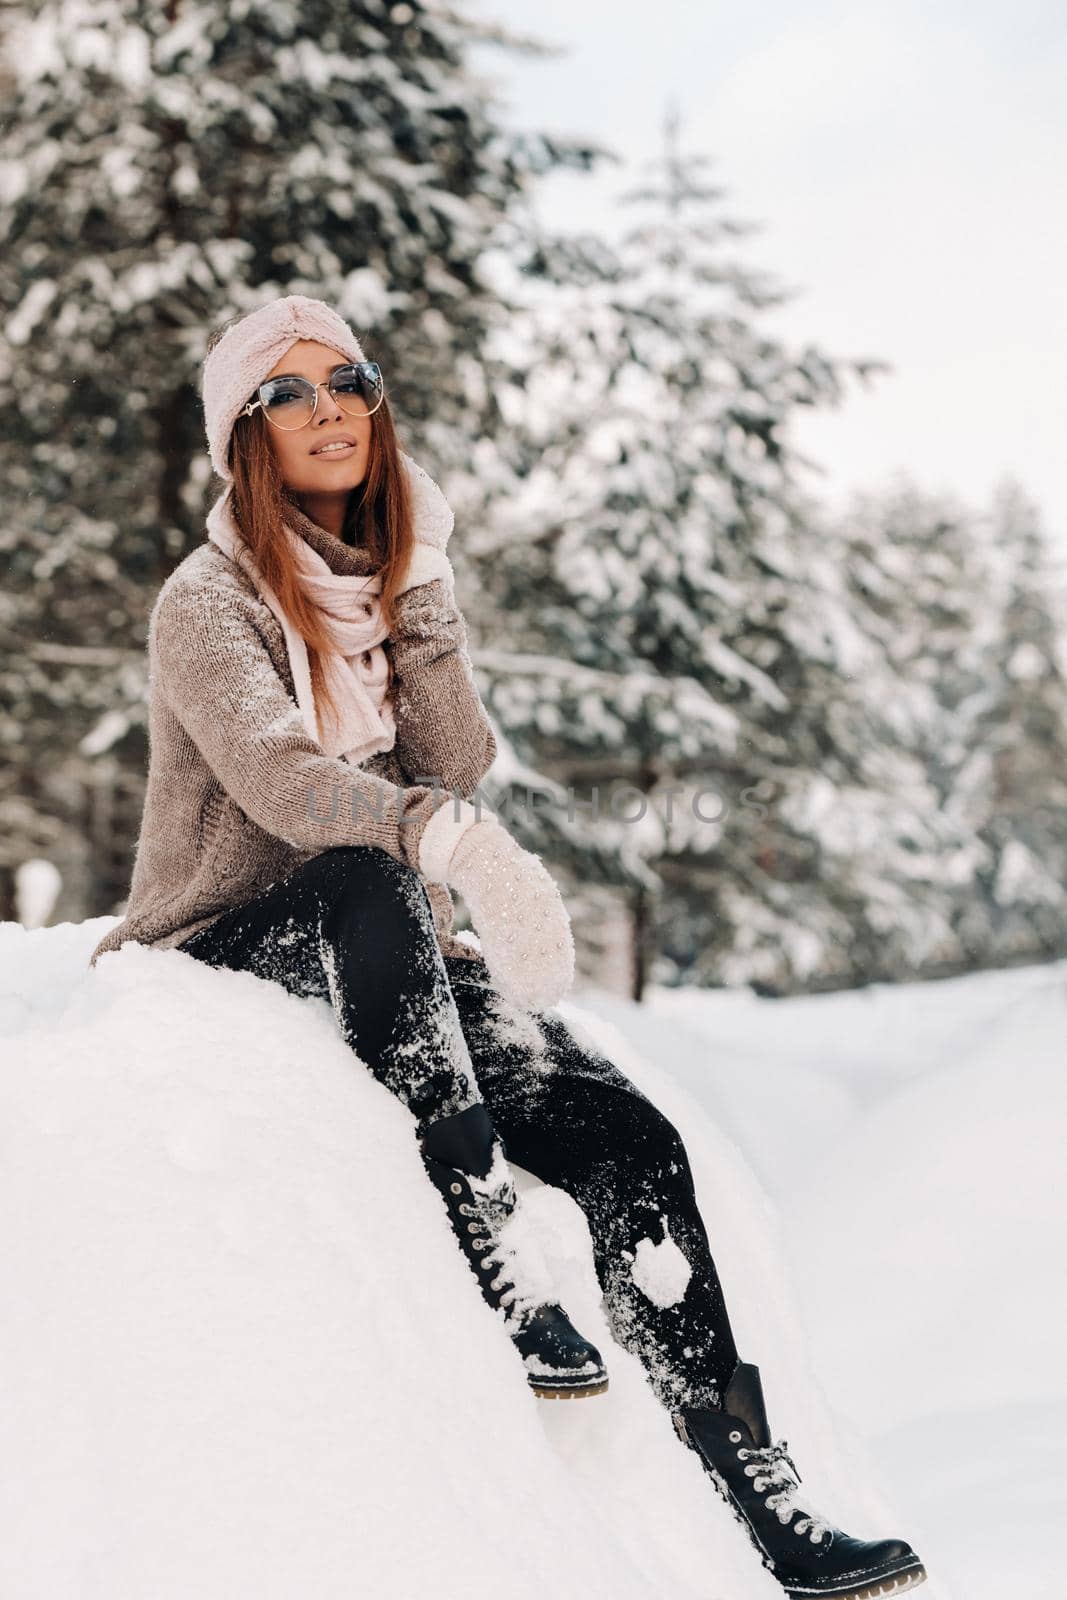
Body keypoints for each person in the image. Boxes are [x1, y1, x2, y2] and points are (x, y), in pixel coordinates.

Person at [89, 295, 926, 1600]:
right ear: (241, 436)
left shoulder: (382, 592)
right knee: (370, 871)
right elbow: (285, 784)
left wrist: (421, 597)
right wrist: (459, 849)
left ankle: (761, 1494)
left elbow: (459, 758)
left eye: (349, 380)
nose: (330, 410)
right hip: (232, 936)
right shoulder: (206, 603)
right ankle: (485, 1234)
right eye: (290, 391)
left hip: (386, 950)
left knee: (627, 1139)